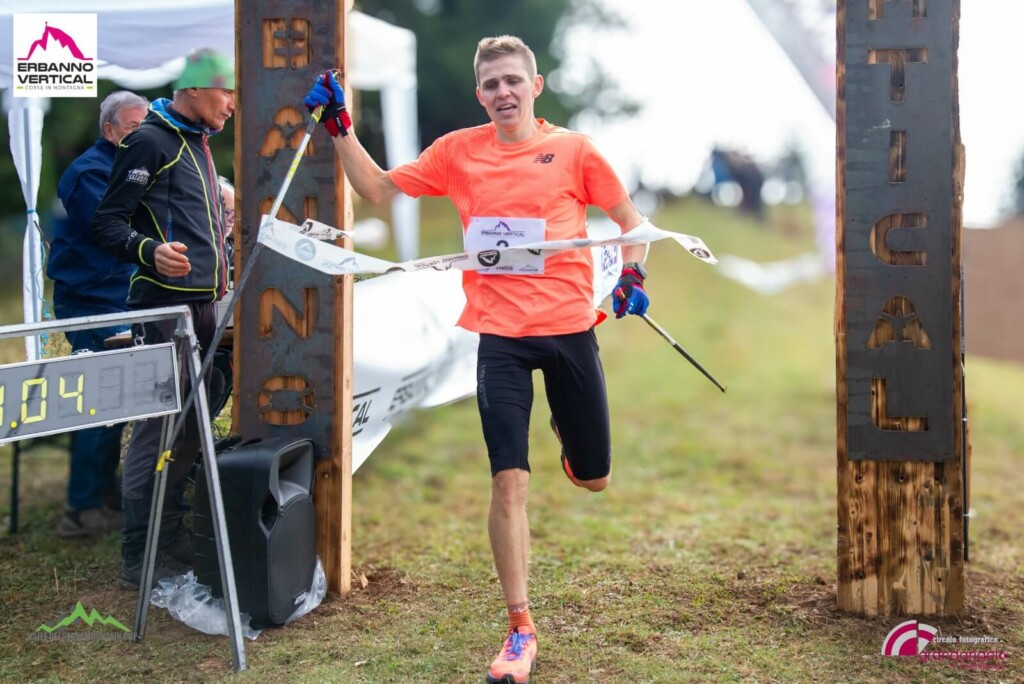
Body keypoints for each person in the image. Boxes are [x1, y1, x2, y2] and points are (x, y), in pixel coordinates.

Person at [304, 35, 651, 684]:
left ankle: (568, 433)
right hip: (499, 339)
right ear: (479, 95)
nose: (503, 92)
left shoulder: (574, 151)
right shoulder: (457, 152)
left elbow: (632, 222)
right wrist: (338, 126)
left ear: (535, 86)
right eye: (491, 84)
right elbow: (376, 188)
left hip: (569, 330)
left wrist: (632, 275)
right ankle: (520, 628)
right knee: (508, 482)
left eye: (513, 80)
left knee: (595, 478)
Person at [92, 48, 235, 587]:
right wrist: (149, 251)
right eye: (226, 92)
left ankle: (169, 535)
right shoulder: (151, 140)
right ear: (194, 88)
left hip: (203, 305)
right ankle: (139, 555)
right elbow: (107, 224)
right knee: (159, 426)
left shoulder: (196, 142)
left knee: (197, 418)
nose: (233, 104)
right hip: (162, 308)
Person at [49, 90, 149, 539]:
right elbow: (113, 229)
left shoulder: (129, 166)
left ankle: (104, 494)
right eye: (133, 127)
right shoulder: (90, 172)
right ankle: (81, 509)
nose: (141, 135)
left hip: (119, 297)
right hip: (92, 300)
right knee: (100, 403)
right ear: (109, 130)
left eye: (146, 127)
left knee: (117, 402)